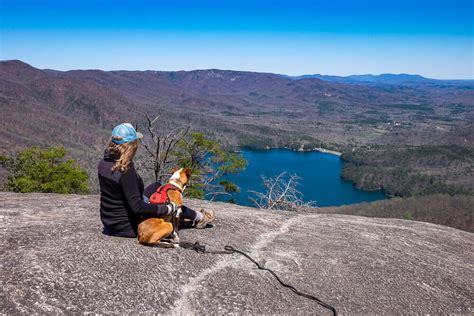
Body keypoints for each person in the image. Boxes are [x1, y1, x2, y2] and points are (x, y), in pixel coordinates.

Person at [98, 123, 215, 238]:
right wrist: (166, 209)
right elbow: (137, 207)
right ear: (131, 145)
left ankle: (186, 215)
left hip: (109, 222)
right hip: (127, 226)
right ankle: (199, 217)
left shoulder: (103, 163)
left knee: (157, 186)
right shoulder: (124, 171)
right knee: (171, 203)